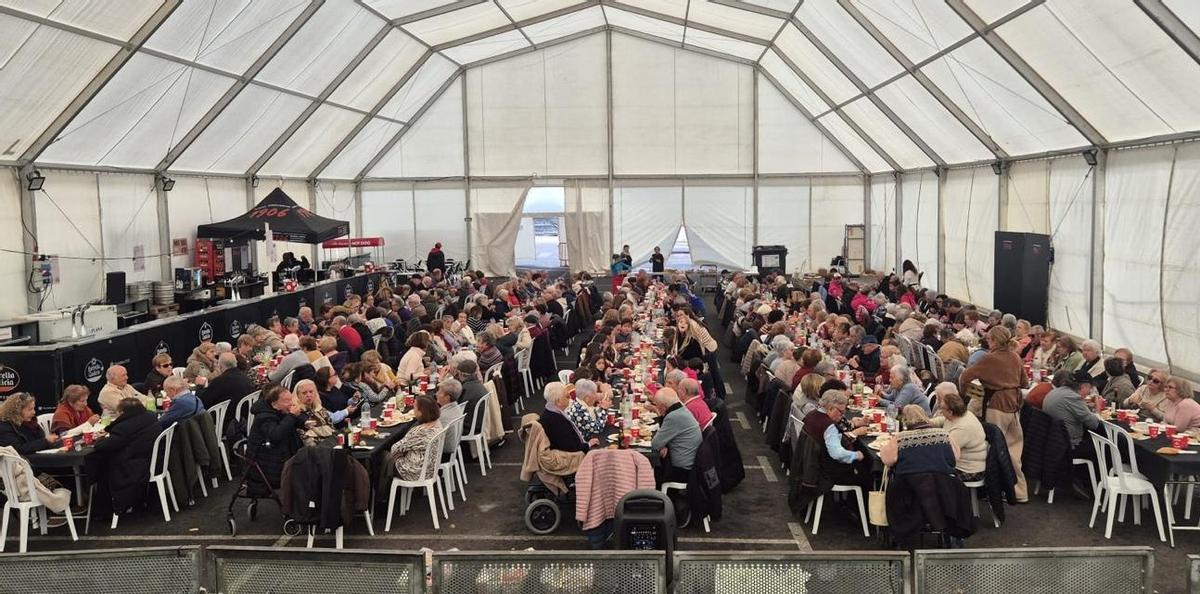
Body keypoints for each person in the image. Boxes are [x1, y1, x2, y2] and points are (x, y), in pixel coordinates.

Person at [958, 326, 1028, 502]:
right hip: (1014, 404)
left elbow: (964, 377)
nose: (987, 342)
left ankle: (995, 489)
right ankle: (1020, 491)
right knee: (1014, 450)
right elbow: (1025, 382)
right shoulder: (1015, 356)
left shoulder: (988, 359)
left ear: (995, 341)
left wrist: (963, 394)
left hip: (996, 404)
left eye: (989, 339)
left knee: (995, 449)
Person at [86, 398, 162, 521]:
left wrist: (100, 439)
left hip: (132, 465)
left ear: (122, 413)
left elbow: (104, 446)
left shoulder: (124, 427)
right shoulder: (150, 417)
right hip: (150, 459)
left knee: (99, 464)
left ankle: (102, 508)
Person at [247, 384, 308, 487]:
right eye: (286, 401)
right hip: (266, 465)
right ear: (274, 404)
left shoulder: (280, 410)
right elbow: (275, 436)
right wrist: (292, 416)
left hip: (276, 458)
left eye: (291, 399)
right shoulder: (264, 417)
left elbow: (293, 422)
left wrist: (303, 421)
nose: (291, 403)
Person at [930, 384, 986, 482]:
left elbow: (945, 452)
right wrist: (927, 422)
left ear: (950, 412)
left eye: (942, 409)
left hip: (969, 470)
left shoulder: (962, 428)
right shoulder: (958, 415)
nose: (941, 411)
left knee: (929, 473)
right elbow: (943, 420)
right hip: (960, 464)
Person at [649, 387, 702, 485]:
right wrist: (664, 444)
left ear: (663, 407)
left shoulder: (673, 416)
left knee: (650, 465)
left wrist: (662, 444)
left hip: (682, 469)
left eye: (657, 405)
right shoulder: (680, 408)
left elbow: (655, 445)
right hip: (690, 459)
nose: (656, 408)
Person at [1041, 370, 1101, 453]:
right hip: (1069, 445)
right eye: (1090, 388)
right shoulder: (1073, 397)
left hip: (1052, 440)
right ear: (1084, 386)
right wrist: (1097, 408)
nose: (1089, 392)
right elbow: (1094, 424)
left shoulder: (1056, 391)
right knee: (1105, 449)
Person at [389, 396, 443, 481]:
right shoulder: (438, 423)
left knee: (383, 457)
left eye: (415, 408)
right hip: (431, 468)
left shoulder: (419, 432)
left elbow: (394, 449)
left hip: (415, 472)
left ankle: (383, 492)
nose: (413, 411)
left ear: (421, 412)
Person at [539, 382, 590, 452]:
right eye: (567, 396)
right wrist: (588, 445)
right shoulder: (555, 420)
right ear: (558, 402)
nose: (570, 398)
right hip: (569, 458)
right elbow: (570, 447)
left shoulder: (549, 412)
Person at [453, 359, 489, 432]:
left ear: (460, 373)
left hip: (468, 426)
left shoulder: (465, 389)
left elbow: (454, 408)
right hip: (478, 423)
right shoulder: (478, 384)